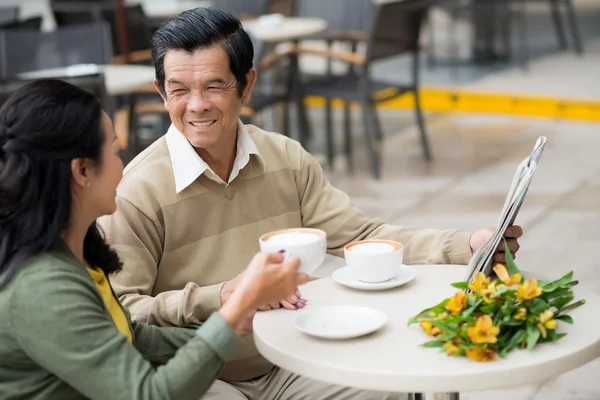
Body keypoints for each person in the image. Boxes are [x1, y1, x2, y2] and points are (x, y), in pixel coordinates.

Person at [99, 7, 523, 399]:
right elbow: (126, 315)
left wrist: (468, 244)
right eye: (179, 90)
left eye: (215, 86)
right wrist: (226, 295)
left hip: (292, 358)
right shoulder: (135, 192)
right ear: (160, 90)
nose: (197, 105)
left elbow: (361, 236)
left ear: (247, 84)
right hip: (202, 374)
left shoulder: (286, 158)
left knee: (390, 385)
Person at [0, 79, 309, 400]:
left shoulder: (72, 253)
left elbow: (132, 338)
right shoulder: (44, 287)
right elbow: (150, 395)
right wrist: (233, 315)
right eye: (115, 152)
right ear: (82, 171)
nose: (124, 167)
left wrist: (233, 323)